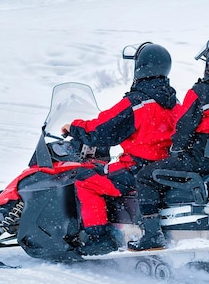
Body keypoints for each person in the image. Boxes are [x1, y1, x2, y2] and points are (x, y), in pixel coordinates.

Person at [128, 38, 209, 251]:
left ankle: (152, 235)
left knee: (146, 176)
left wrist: (176, 154)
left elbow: (182, 132)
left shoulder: (200, 92)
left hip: (199, 162)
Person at [61, 42, 179, 256]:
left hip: (137, 169)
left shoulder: (137, 102)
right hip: (164, 169)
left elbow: (101, 129)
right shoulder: (174, 104)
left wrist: (75, 127)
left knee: (85, 180)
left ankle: (99, 238)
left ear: (140, 67)